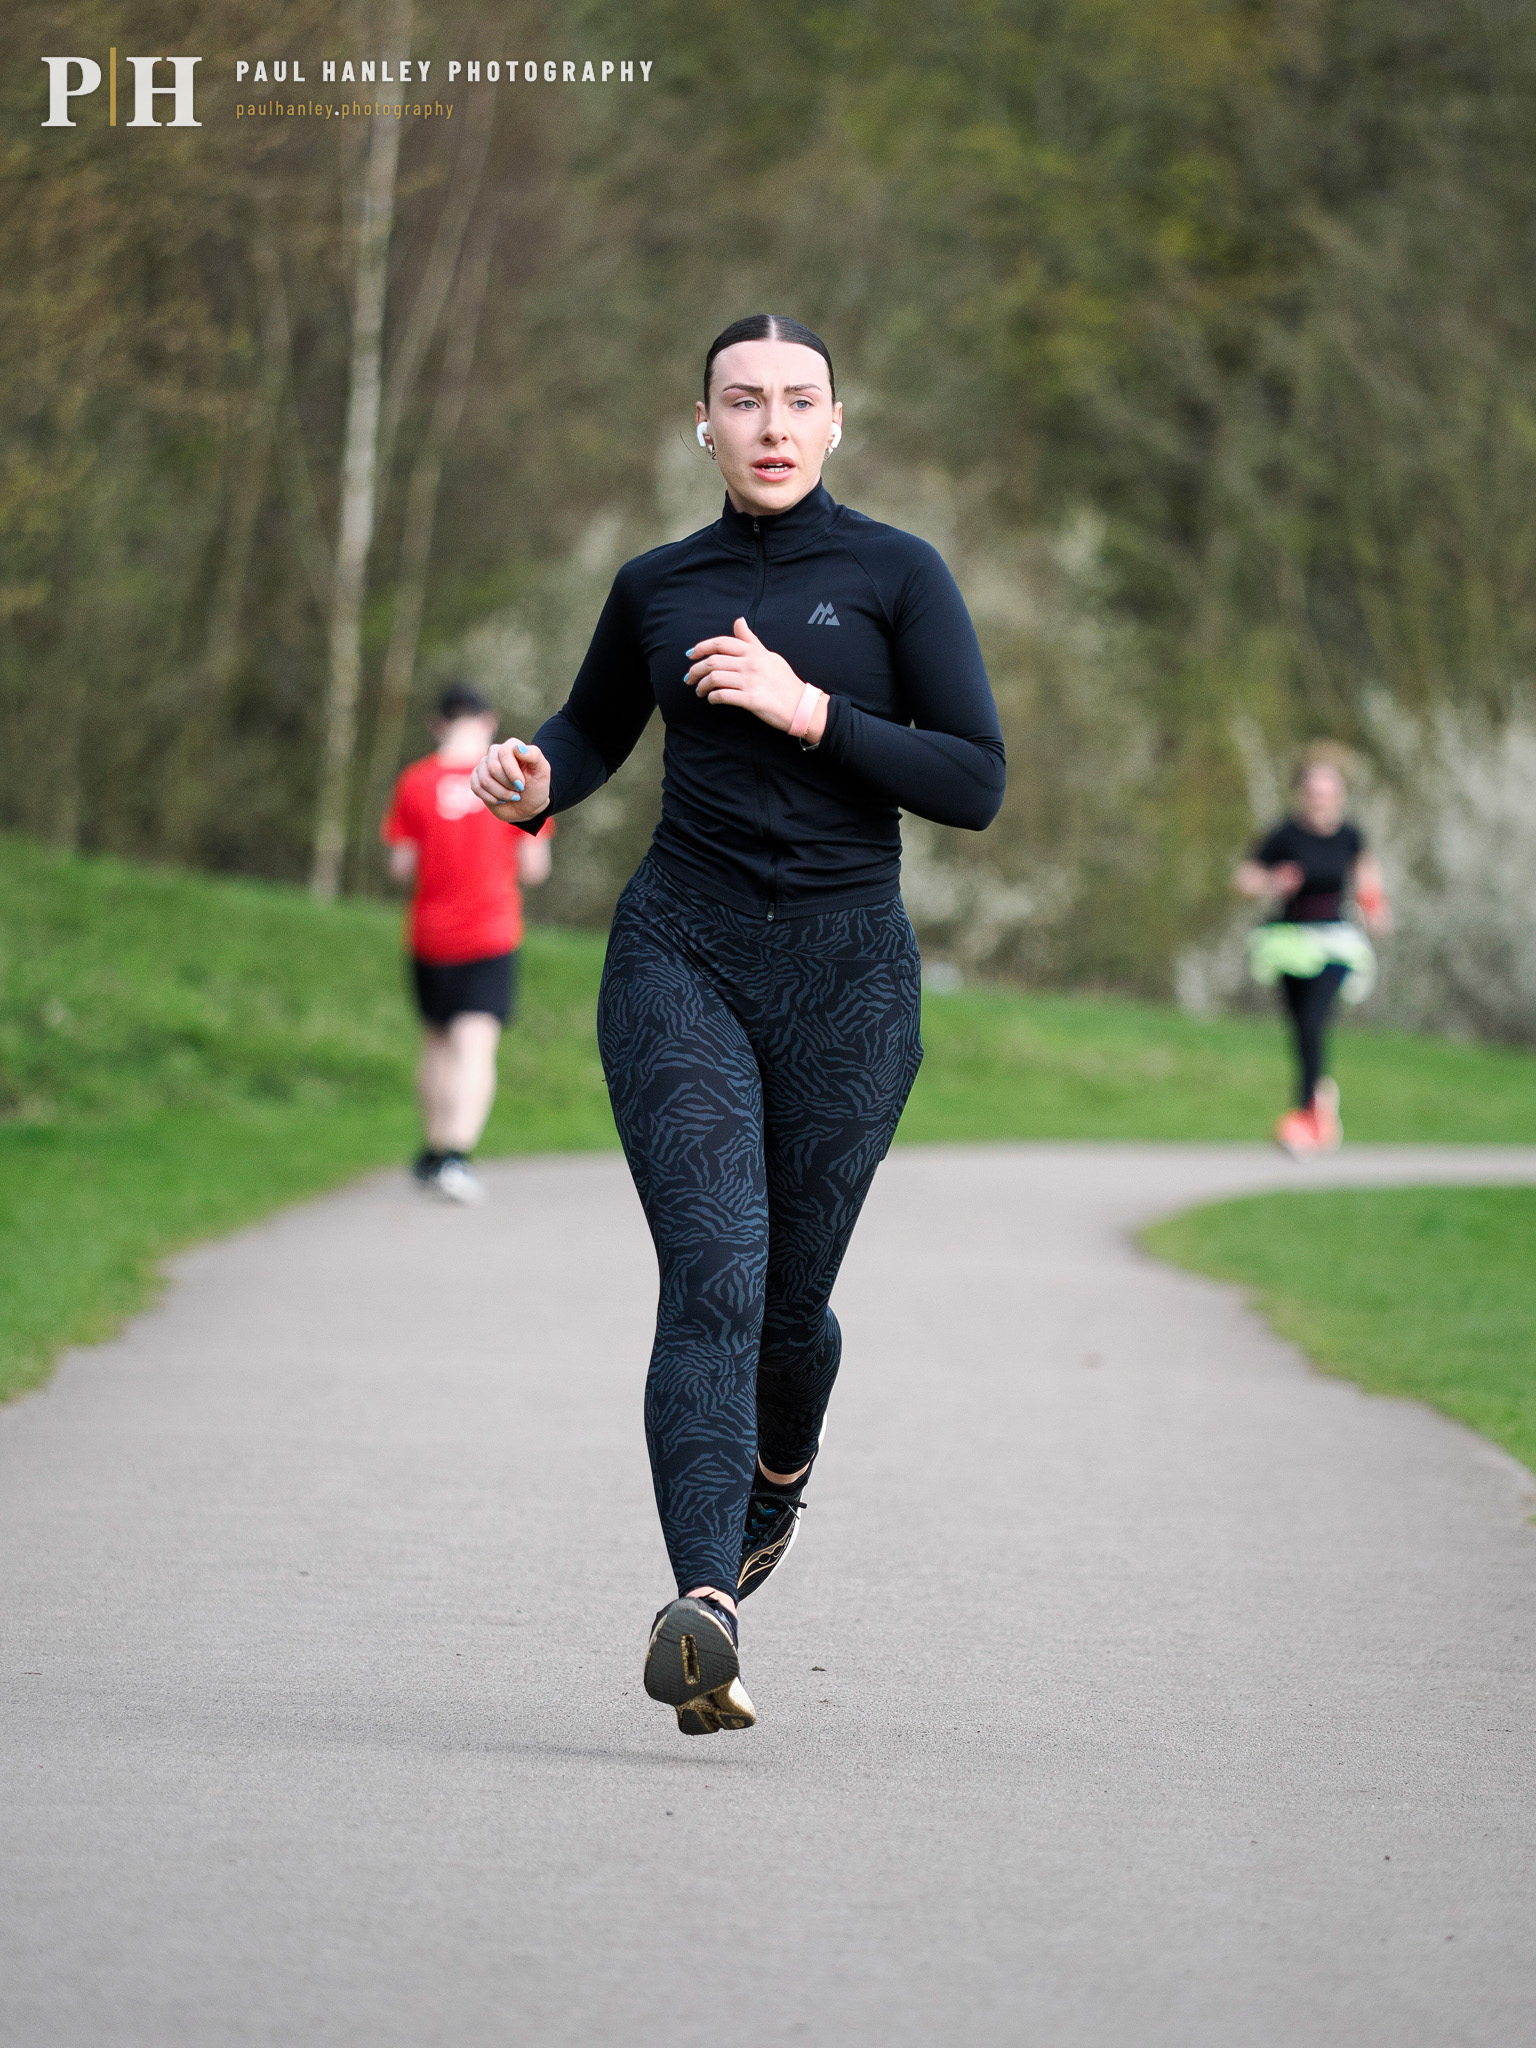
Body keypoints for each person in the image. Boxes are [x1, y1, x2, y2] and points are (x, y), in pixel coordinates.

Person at [470, 313, 1006, 1735]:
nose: (772, 424)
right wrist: (535, 775)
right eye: (742, 401)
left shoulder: (899, 574)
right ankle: (704, 1606)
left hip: (847, 980)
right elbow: (589, 731)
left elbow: (973, 782)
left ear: (839, 423)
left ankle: (779, 1466)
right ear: (700, 427)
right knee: (712, 1271)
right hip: (680, 954)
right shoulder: (658, 584)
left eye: (799, 401)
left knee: (789, 1309)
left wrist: (804, 707)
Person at [382, 681, 554, 1204]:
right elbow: (535, 869)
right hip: (490, 933)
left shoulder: (414, 781)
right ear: (490, 721)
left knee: (436, 1042)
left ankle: (433, 1152)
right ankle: (457, 1156)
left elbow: (399, 867)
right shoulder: (508, 783)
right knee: (475, 1046)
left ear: (438, 723)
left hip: (429, 935)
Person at [1234, 746, 1391, 1156]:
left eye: (1327, 791)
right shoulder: (1285, 834)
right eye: (1313, 792)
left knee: (1313, 1019)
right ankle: (1318, 1101)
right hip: (1290, 941)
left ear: (1339, 794)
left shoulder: (1350, 836)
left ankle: (1305, 1116)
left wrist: (1374, 907)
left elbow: (1366, 875)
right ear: (1302, 794)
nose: (1319, 799)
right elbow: (1244, 878)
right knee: (1301, 1029)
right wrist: (1272, 881)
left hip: (1335, 941)